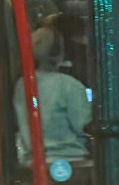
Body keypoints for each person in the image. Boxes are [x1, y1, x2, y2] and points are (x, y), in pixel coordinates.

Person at [15, 25, 93, 163]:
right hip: (70, 161)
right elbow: (82, 126)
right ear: (58, 52)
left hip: (32, 162)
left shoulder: (22, 84)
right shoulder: (69, 85)